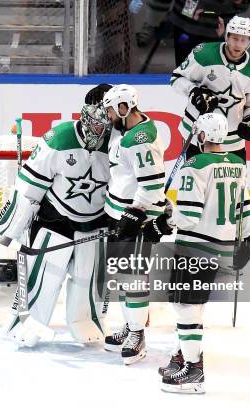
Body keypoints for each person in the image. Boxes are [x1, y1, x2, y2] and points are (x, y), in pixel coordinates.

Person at [142, 112, 250, 393]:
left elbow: (189, 215)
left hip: (196, 247)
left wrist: (161, 223)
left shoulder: (194, 165)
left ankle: (194, 371)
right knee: (193, 304)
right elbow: (246, 210)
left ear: (202, 136)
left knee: (184, 305)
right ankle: (185, 356)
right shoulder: (238, 164)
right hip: (223, 246)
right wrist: (246, 242)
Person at [0, 104, 114, 347]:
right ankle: (26, 324)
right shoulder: (59, 138)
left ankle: (87, 321)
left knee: (88, 278)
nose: (101, 131)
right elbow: (29, 185)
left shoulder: (116, 144)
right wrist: (13, 226)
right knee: (45, 275)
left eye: (106, 125)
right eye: (97, 124)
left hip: (95, 222)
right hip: (55, 220)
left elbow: (124, 185)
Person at [98, 84, 167, 365]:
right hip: (123, 214)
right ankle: (130, 326)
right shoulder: (128, 131)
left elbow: (151, 187)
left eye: (111, 109)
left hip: (136, 219)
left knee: (134, 277)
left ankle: (137, 335)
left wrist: (134, 214)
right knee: (124, 276)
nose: (108, 115)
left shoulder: (139, 139)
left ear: (124, 108)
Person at [170, 15, 250, 162]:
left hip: (232, 140)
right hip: (199, 135)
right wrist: (194, 93)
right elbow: (176, 79)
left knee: (232, 184)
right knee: (197, 182)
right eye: (235, 38)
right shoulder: (204, 54)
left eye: (243, 40)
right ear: (226, 36)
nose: (238, 45)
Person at [136, 0, 250, 66]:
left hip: (220, 31)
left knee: (219, 75)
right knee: (186, 74)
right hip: (186, 28)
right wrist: (154, 22)